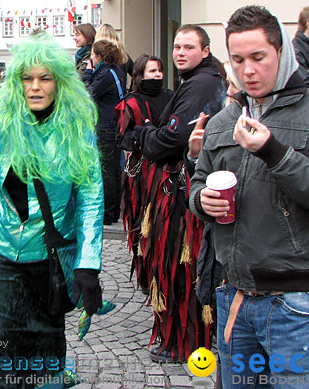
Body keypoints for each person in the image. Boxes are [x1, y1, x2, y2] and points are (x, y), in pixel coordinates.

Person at [190, 5, 309, 388]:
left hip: (296, 303)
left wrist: (274, 151)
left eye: (258, 58)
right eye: (237, 60)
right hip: (233, 295)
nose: (247, 70)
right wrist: (201, 200)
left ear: (281, 52)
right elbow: (198, 183)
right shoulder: (224, 119)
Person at [0, 33, 104, 388]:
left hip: (50, 258)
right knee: (3, 344)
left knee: (47, 344)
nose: (35, 87)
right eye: (26, 78)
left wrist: (87, 263)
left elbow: (90, 199)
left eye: (45, 78)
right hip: (0, 252)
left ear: (60, 83)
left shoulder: (76, 127)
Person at [132, 25, 225, 363]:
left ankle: (184, 342)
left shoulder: (201, 84)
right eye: (176, 46)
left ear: (206, 50)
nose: (180, 53)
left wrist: (146, 138)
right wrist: (154, 134)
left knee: (182, 266)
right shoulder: (199, 81)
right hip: (187, 186)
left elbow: (171, 138)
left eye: (189, 47)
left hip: (184, 192)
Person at [116, 54, 173, 291]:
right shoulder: (130, 102)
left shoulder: (171, 96)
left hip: (169, 170)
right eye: (152, 71)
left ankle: (166, 273)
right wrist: (144, 136)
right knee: (144, 223)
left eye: (159, 70)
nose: (157, 75)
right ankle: (146, 273)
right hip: (143, 175)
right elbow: (122, 137)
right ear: (140, 75)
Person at [82, 39, 126, 225]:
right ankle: (114, 211)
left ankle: (108, 214)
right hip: (116, 124)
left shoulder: (104, 74)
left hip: (105, 126)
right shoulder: (117, 71)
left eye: (93, 54)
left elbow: (87, 94)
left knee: (106, 171)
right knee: (115, 170)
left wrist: (87, 72)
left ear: (99, 56)